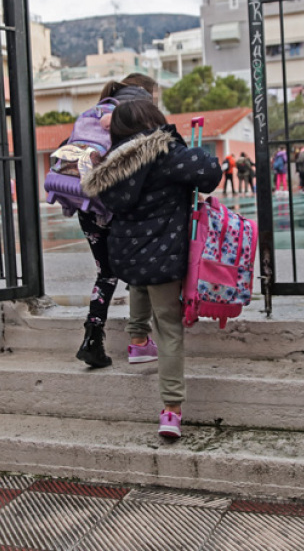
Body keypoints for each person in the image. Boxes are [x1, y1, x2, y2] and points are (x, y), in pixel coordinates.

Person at [82, 100, 222, 438]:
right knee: (170, 329)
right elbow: (210, 175)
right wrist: (183, 145)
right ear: (153, 121)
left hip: (127, 253)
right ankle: (171, 411)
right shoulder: (165, 153)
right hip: (164, 251)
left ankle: (137, 340)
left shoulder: (112, 165)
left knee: (139, 283)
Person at [73, 73, 159, 369]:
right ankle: (139, 339)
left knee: (106, 273)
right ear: (147, 94)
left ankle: (92, 337)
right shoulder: (138, 113)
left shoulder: (97, 111)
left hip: (87, 204)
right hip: (117, 205)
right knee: (140, 269)